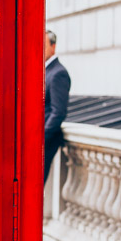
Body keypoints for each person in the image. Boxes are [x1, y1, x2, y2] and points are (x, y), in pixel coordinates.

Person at [44, 29, 71, 183]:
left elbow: (58, 111)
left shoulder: (58, 73)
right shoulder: (46, 70)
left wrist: (42, 137)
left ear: (53, 47)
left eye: (44, 45)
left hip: (47, 141)